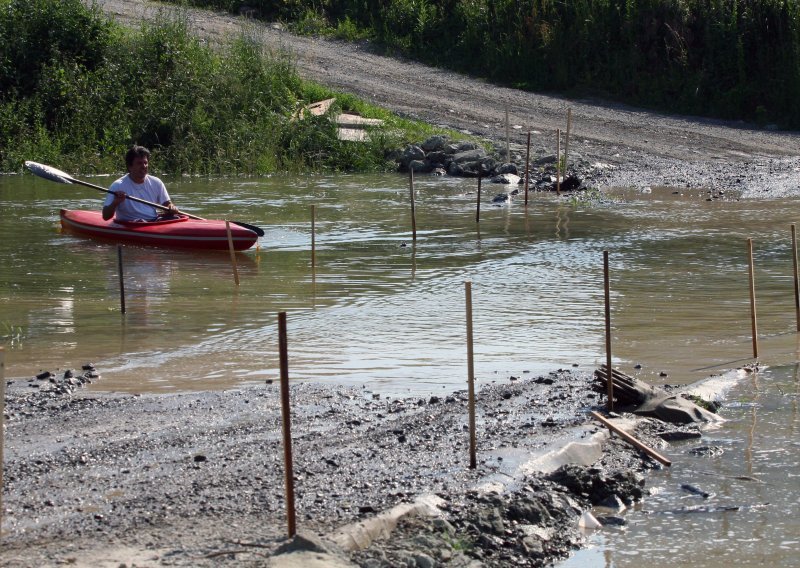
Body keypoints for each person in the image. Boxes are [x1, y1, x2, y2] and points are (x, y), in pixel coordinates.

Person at [102, 145, 179, 222]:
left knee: (175, 218)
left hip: (153, 222)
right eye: (139, 163)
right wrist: (116, 202)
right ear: (130, 167)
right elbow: (105, 216)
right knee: (141, 221)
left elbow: (167, 204)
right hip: (131, 223)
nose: (144, 166)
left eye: (145, 163)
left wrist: (171, 207)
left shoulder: (156, 182)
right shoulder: (117, 185)